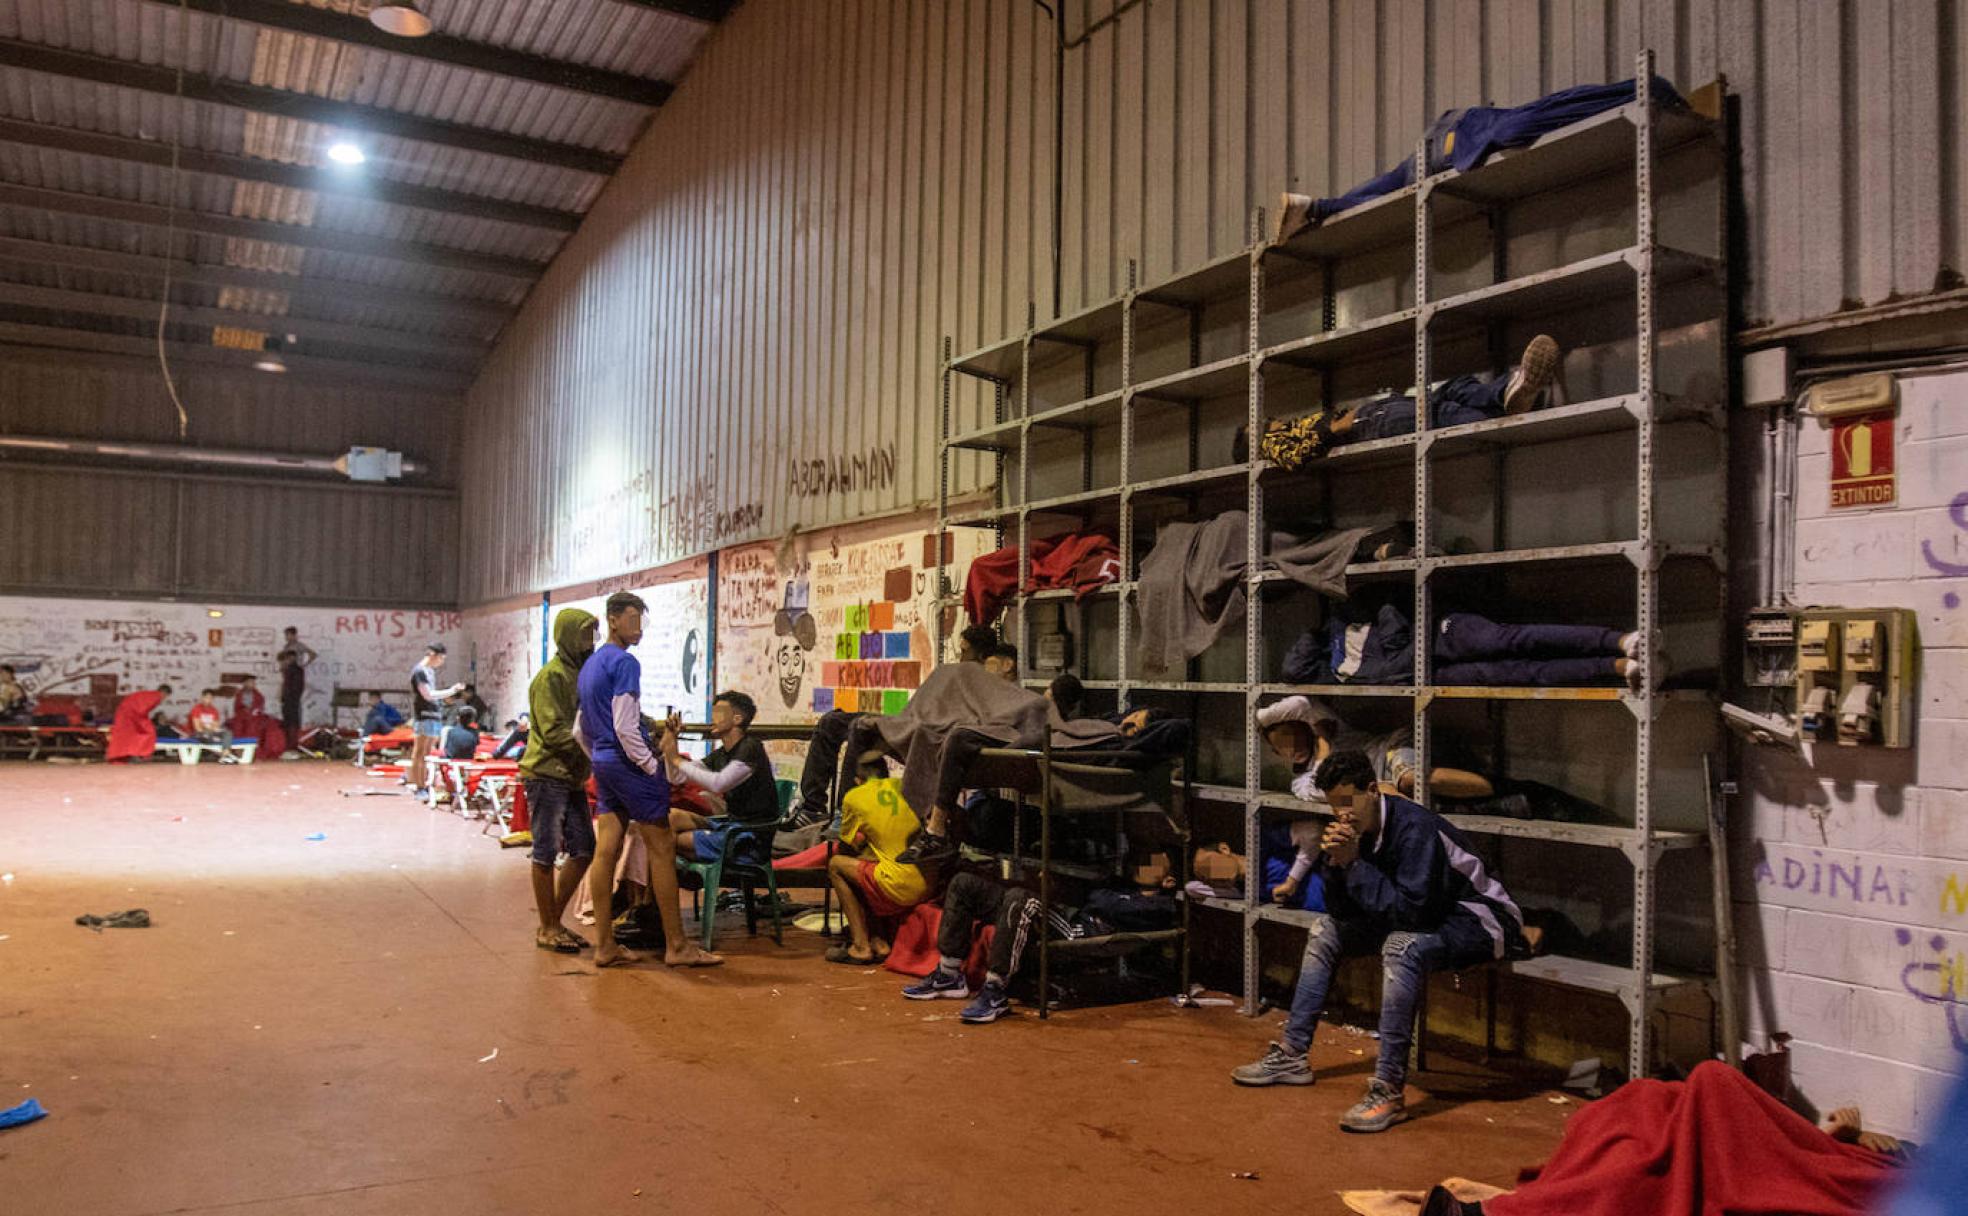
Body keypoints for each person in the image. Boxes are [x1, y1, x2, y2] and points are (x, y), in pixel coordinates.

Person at [1232, 751, 1526, 1135]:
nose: (1342, 813)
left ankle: (1387, 1089)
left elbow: (1411, 915)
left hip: (1481, 918)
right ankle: (1292, 1055)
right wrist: (1335, 864)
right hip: (1425, 917)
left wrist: (1354, 864)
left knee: (1401, 946)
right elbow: (1343, 911)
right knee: (1325, 930)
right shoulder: (1355, 830)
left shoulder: (1415, 829)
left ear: (1372, 790)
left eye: (1348, 801)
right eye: (1334, 805)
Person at [575, 592, 721, 969]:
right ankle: (677, 945)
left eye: (642, 618)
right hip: (628, 763)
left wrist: (600, 758)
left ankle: (604, 945)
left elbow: (580, 729)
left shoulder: (591, 665)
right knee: (661, 847)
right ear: (612, 620)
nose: (639, 626)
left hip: (605, 762)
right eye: (633, 617)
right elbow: (626, 726)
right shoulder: (625, 663)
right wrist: (648, 765)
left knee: (605, 849)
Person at [791, 623, 1003, 827]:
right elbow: (925, 703)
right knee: (832, 722)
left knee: (860, 725)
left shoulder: (990, 684)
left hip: (932, 730)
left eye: (966, 652)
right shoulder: (952, 673)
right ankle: (812, 808)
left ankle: (845, 813)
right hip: (912, 719)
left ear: (984, 657)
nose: (961, 658)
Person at [521, 608, 598, 954]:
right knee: (545, 850)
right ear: (567, 636)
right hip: (547, 774)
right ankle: (548, 925)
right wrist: (597, 747)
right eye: (584, 634)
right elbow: (553, 732)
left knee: (584, 849)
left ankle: (552, 921)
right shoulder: (550, 677)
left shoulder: (584, 675)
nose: (590, 642)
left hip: (573, 776)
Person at [900, 870, 1044, 1024]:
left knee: (1017, 898)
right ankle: (948, 975)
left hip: (1057, 903)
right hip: (1028, 887)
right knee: (963, 883)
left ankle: (996, 989)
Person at [660, 690, 781, 864]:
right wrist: (671, 741)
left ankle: (660, 889)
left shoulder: (751, 748)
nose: (713, 718)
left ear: (737, 719)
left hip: (749, 838)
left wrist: (676, 759)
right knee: (669, 818)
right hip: (729, 826)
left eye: (719, 713)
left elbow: (719, 784)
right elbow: (676, 778)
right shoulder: (721, 754)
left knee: (664, 841)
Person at [825, 773, 928, 964]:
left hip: (901, 885)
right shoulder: (901, 785)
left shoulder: (855, 796)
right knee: (867, 867)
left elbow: (845, 847)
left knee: (837, 865)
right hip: (927, 882)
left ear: (858, 779)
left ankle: (860, 947)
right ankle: (878, 941)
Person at [106, 684, 171, 763]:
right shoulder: (156, 697)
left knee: (124, 736)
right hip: (132, 715)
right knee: (150, 732)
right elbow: (141, 710)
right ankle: (141, 754)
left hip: (125, 714)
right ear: (164, 693)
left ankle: (121, 756)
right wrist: (144, 722)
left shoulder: (147, 694)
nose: (164, 699)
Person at [276, 648, 305, 755]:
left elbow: (293, 687)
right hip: (291, 699)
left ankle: (291, 745)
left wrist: (287, 697)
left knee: (291, 723)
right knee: (290, 723)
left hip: (291, 700)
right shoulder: (291, 670)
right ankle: (290, 745)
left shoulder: (294, 670)